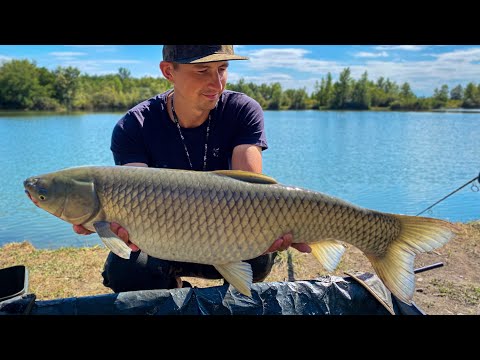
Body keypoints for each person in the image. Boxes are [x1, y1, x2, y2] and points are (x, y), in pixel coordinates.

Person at [73, 45, 311, 293]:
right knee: (127, 272)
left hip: (230, 237)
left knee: (259, 259)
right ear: (168, 71)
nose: (217, 84)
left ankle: (233, 299)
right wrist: (103, 220)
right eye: (202, 71)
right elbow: (131, 196)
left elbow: (252, 191)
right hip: (160, 243)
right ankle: (170, 287)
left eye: (222, 69)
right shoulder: (134, 125)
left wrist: (289, 223)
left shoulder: (242, 110)